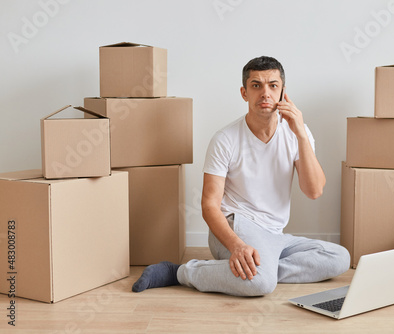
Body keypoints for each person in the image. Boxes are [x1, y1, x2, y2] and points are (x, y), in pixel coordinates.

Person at [132, 56, 350, 296]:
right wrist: (237, 245)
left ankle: (259, 269)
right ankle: (179, 272)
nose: (265, 93)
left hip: (274, 235)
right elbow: (209, 205)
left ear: (282, 92)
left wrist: (300, 133)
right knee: (261, 284)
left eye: (273, 85)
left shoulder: (297, 133)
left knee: (339, 257)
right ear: (244, 93)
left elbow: (314, 190)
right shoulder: (225, 139)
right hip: (235, 226)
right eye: (256, 85)